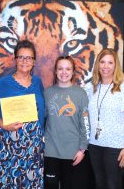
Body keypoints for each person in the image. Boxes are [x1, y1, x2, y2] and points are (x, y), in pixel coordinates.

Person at [0, 40, 45, 188]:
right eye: (21, 57)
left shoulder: (38, 82)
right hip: (9, 145)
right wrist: (4, 126)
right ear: (15, 59)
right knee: (8, 182)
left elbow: (42, 111)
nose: (25, 61)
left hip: (33, 146)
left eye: (29, 58)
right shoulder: (4, 83)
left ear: (34, 61)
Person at [86, 48, 124, 189]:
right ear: (97, 64)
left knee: (113, 185)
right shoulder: (90, 87)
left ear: (116, 65)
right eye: (102, 62)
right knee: (99, 183)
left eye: (110, 62)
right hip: (95, 144)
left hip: (116, 146)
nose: (105, 66)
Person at [44, 56, 91, 189]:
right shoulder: (47, 93)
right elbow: (41, 119)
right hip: (51, 151)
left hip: (74, 153)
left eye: (68, 69)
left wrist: (83, 149)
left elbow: (85, 123)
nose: (64, 72)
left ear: (73, 72)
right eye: (60, 69)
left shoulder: (80, 94)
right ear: (55, 71)